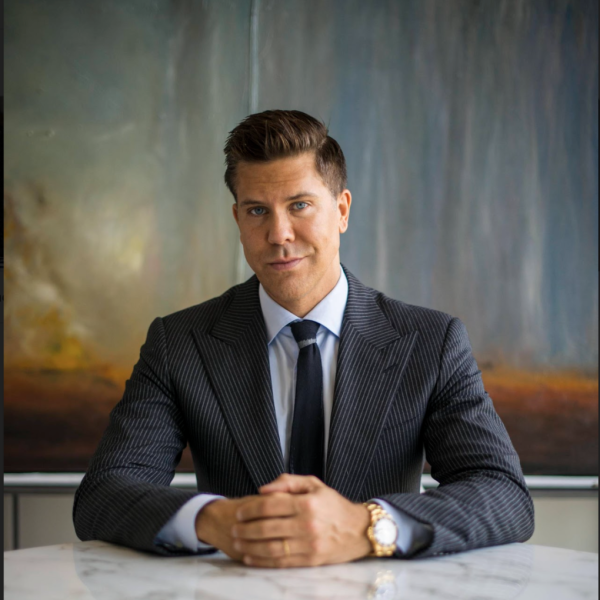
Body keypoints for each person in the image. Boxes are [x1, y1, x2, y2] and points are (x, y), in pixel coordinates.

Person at [73, 110, 534, 567]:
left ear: (342, 211)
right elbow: (104, 493)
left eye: (299, 205)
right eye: (257, 211)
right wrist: (213, 520)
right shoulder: (179, 343)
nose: (279, 234)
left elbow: (504, 494)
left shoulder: (431, 342)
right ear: (238, 219)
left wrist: (366, 526)